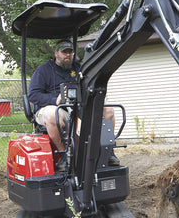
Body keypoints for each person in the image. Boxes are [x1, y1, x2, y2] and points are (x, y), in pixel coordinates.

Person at [29, 39, 119, 170]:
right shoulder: (43, 71)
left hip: (78, 107)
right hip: (54, 108)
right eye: (64, 52)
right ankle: (64, 155)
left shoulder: (79, 69)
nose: (68, 55)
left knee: (108, 110)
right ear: (56, 53)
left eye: (70, 52)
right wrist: (56, 99)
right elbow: (33, 95)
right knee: (52, 114)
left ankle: (108, 150)